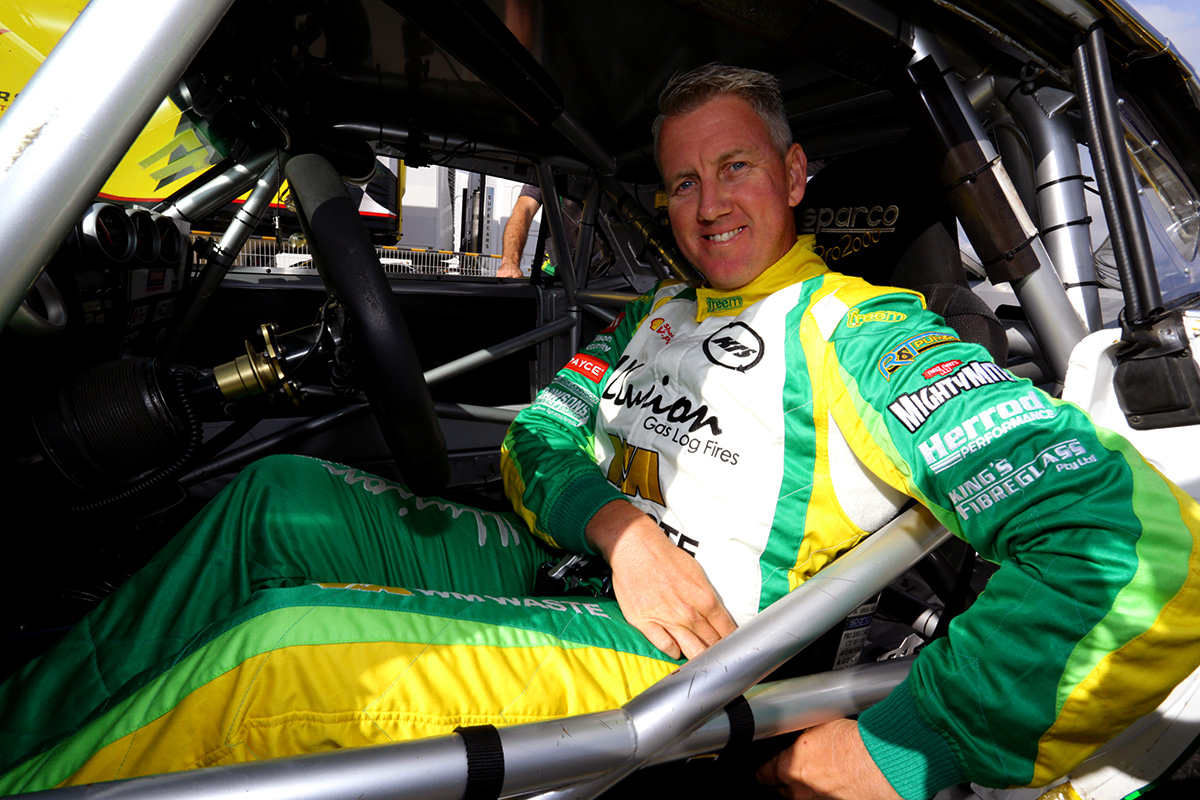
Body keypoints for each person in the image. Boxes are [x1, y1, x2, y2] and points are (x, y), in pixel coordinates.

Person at [2, 63, 1199, 800]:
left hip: (680, 649)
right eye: (681, 181)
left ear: (794, 173)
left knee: (285, 649)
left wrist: (912, 743)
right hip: (578, 564)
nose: (708, 203)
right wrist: (625, 533)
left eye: (735, 166)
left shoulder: (865, 334)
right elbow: (535, 444)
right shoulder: (652, 315)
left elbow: (1136, 547)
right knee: (279, 496)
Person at [496, 183, 610, 278]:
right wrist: (510, 262)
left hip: (603, 266)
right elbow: (524, 210)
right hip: (554, 268)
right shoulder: (549, 170)